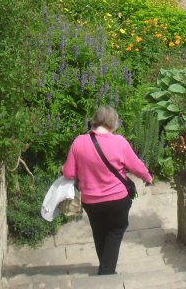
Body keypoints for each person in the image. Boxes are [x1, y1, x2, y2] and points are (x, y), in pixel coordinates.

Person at [61, 105, 153, 275]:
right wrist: (148, 177)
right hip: (117, 199)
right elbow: (137, 166)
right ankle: (107, 273)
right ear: (112, 123)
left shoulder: (79, 142)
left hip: (91, 201)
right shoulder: (119, 142)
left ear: (94, 121)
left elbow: (68, 172)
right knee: (116, 230)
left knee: (99, 231)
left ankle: (105, 267)